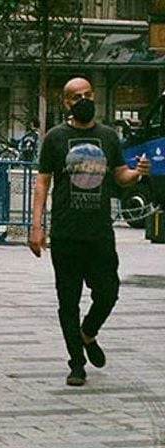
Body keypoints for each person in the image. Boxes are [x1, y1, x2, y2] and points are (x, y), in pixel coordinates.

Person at [30, 77, 150, 387]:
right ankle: (76, 363)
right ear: (66, 103)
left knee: (108, 291)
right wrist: (36, 226)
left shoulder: (108, 137)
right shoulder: (55, 138)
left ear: (93, 97)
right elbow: (42, 182)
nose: (83, 100)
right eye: (75, 97)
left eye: (87, 95)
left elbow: (119, 174)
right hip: (66, 232)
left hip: (99, 232)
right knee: (67, 300)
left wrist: (136, 173)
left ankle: (88, 332)